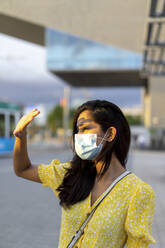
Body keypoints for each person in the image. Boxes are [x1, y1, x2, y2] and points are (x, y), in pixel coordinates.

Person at [13, 100, 156, 248]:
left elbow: (137, 244)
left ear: (110, 134)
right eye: (78, 130)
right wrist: (21, 137)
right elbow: (22, 169)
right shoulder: (70, 174)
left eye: (85, 128)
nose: (79, 136)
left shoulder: (138, 192)